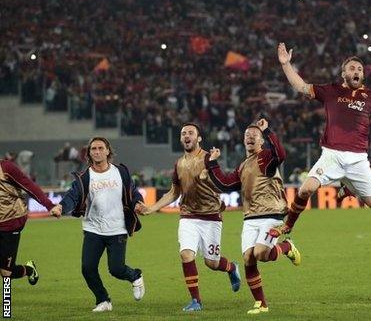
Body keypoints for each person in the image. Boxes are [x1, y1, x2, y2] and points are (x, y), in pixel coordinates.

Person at [271, 42, 371, 237]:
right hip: (332, 154)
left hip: (358, 158)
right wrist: (285, 64)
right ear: (343, 74)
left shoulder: (370, 97)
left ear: (363, 75)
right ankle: (288, 224)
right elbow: (301, 86)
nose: (356, 71)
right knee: (306, 190)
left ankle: (348, 189)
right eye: (352, 68)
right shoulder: (331, 90)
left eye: (359, 69)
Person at [136, 123, 241, 311]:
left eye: (191, 133)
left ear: (199, 138)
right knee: (186, 255)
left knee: (212, 262)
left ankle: (232, 268)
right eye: (183, 133)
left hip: (211, 217)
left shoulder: (209, 158)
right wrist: (151, 208)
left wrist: (211, 181)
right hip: (188, 216)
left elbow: (222, 185)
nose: (186, 135)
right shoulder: (179, 164)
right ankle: (196, 301)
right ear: (181, 138)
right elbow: (173, 192)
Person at [207, 119, 302, 315]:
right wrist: (212, 164)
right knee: (248, 258)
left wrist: (268, 131)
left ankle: (286, 247)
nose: (250, 137)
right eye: (247, 136)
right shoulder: (242, 166)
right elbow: (224, 184)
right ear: (243, 141)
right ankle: (261, 303)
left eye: (254, 135)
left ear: (260, 141)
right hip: (250, 218)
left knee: (260, 253)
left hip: (271, 215)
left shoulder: (266, 157)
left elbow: (281, 155)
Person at [58, 137, 145, 312]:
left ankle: (135, 276)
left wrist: (138, 203)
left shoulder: (121, 172)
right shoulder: (85, 177)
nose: (97, 151)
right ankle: (103, 300)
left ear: (107, 151)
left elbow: (133, 192)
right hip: (93, 229)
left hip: (117, 229)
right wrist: (61, 207)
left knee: (116, 269)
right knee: (87, 268)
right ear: (89, 153)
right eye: (93, 149)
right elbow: (72, 196)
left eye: (100, 148)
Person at [0, 159, 61, 285]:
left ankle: (29, 270)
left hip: (11, 220)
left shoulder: (6, 168)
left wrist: (50, 205)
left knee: (6, 273)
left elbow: (30, 186)